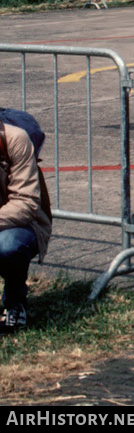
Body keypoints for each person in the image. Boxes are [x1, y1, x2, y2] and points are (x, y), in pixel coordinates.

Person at [0, 115, 52, 332]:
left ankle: (15, 302)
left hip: (20, 224)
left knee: (9, 245)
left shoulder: (15, 139)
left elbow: (26, 203)